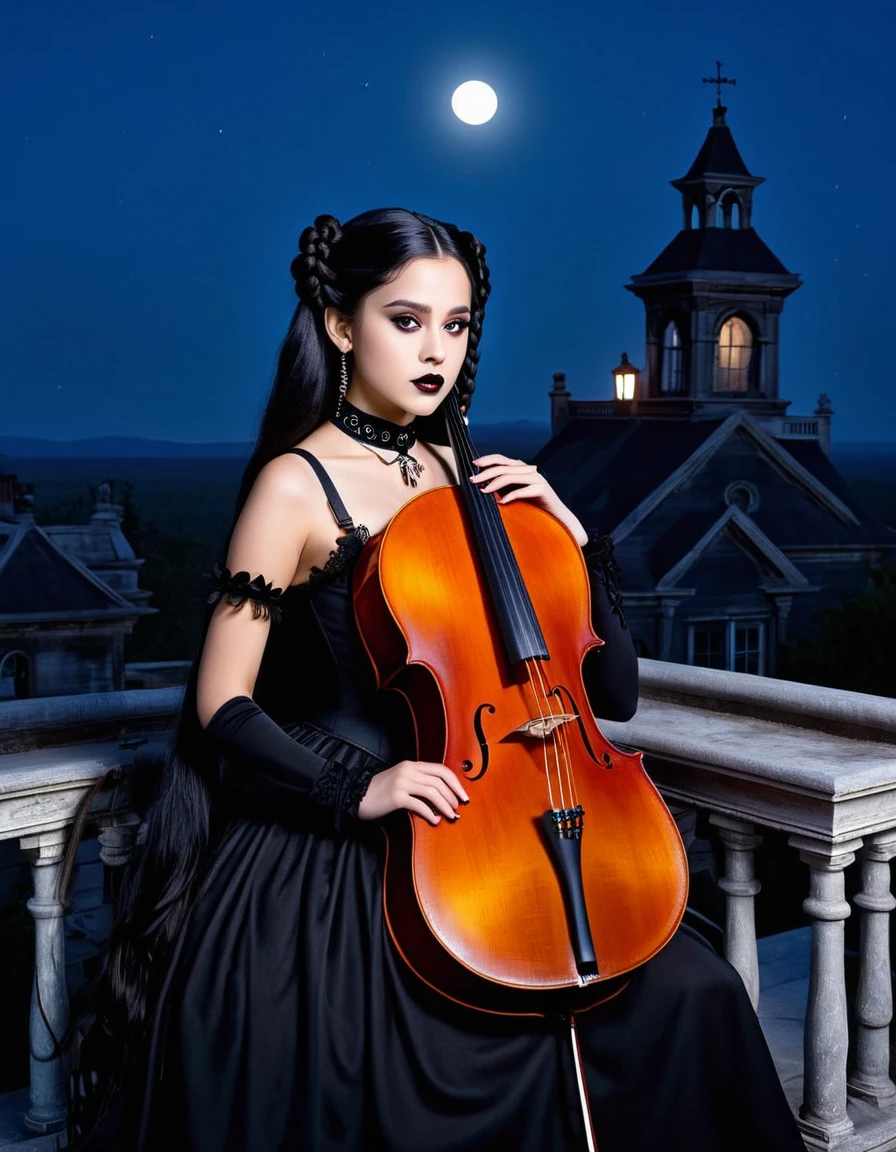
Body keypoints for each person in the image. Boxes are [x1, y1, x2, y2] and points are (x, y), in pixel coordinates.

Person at [71, 208, 805, 1152]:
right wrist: (360, 786)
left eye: (455, 326)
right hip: (350, 824)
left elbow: (611, 694)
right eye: (405, 320)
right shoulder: (295, 487)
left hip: (490, 806)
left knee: (697, 989)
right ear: (342, 325)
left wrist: (579, 543)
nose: (437, 351)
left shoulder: (462, 467)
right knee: (437, 1061)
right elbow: (221, 701)